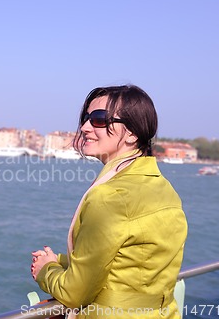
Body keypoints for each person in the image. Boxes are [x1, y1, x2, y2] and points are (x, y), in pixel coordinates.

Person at [30, 85, 188, 319]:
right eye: (86, 118)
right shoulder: (164, 188)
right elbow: (129, 265)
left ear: (133, 133)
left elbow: (74, 294)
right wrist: (61, 261)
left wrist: (47, 269)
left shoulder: (109, 196)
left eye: (99, 119)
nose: (84, 127)